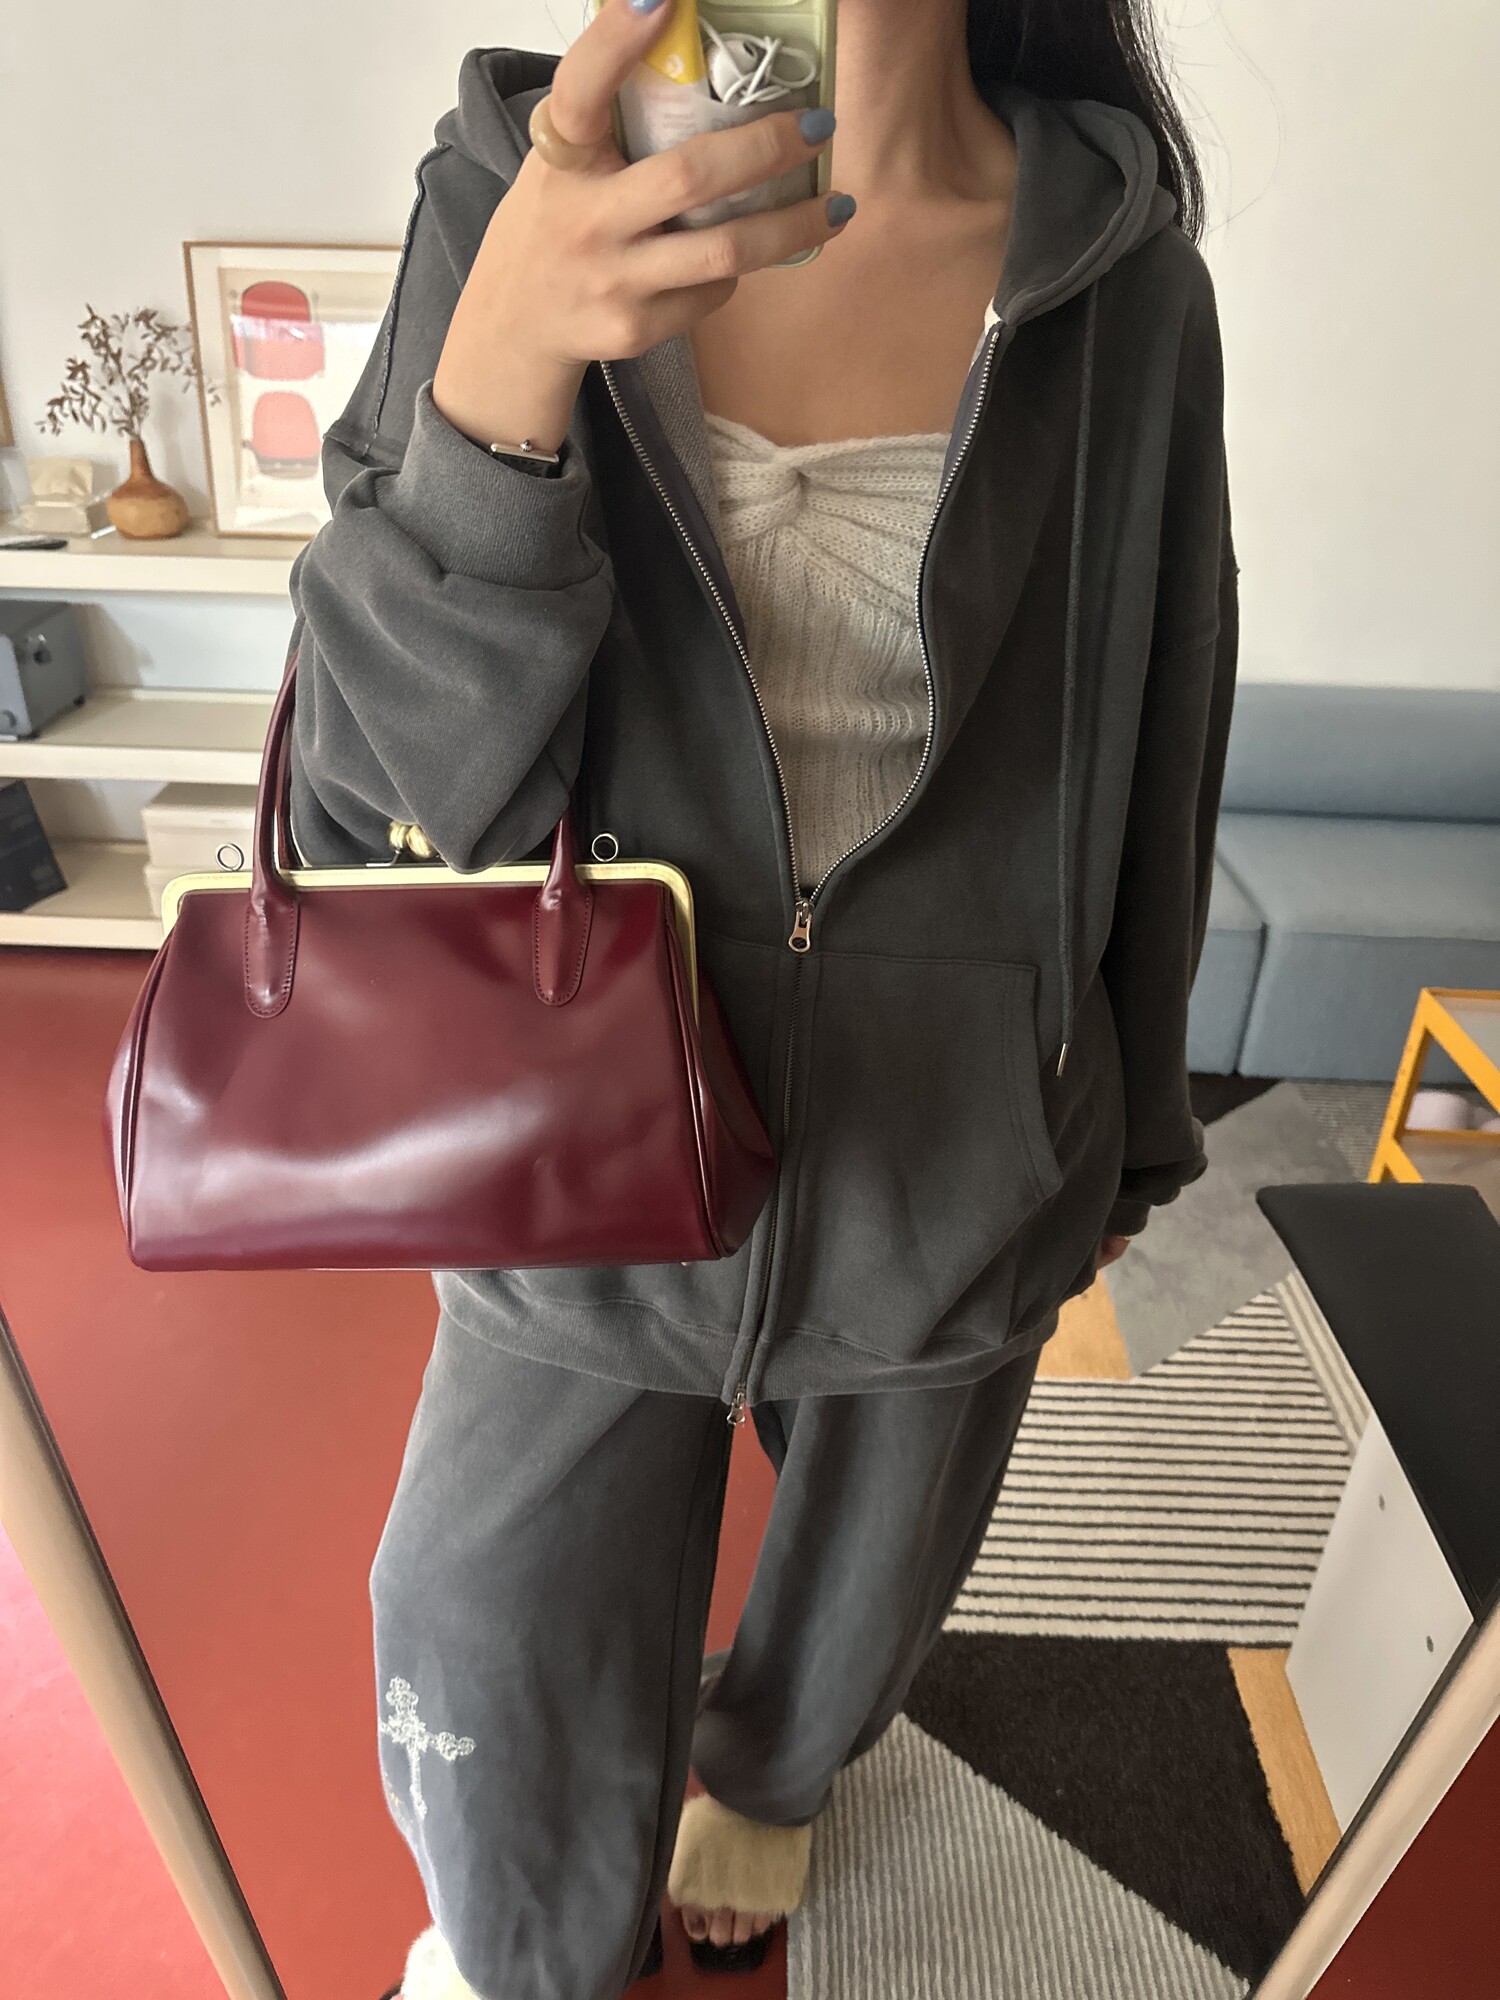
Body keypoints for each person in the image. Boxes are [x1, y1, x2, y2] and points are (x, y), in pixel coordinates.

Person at [285, 0, 1237, 1993]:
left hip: (956, 1135)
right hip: (580, 1129)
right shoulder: (513, 199)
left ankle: (773, 1773)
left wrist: (1133, 1130)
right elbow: (371, 812)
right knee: (482, 1626)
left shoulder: (1121, 276)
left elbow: (1164, 722)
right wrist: (502, 377)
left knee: (869, 1591)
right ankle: (530, 1940)